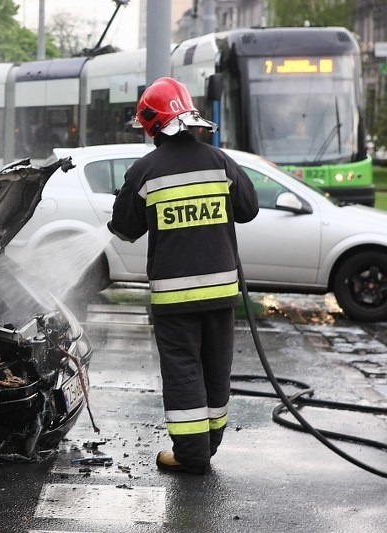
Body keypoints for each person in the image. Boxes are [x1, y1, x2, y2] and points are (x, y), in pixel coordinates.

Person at [107, 77, 259, 475]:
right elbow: (248, 210)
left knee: (183, 371)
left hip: (174, 298)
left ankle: (191, 454)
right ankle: (208, 445)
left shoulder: (145, 171)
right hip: (221, 293)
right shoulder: (220, 161)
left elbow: (124, 227)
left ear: (152, 126)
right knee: (215, 368)